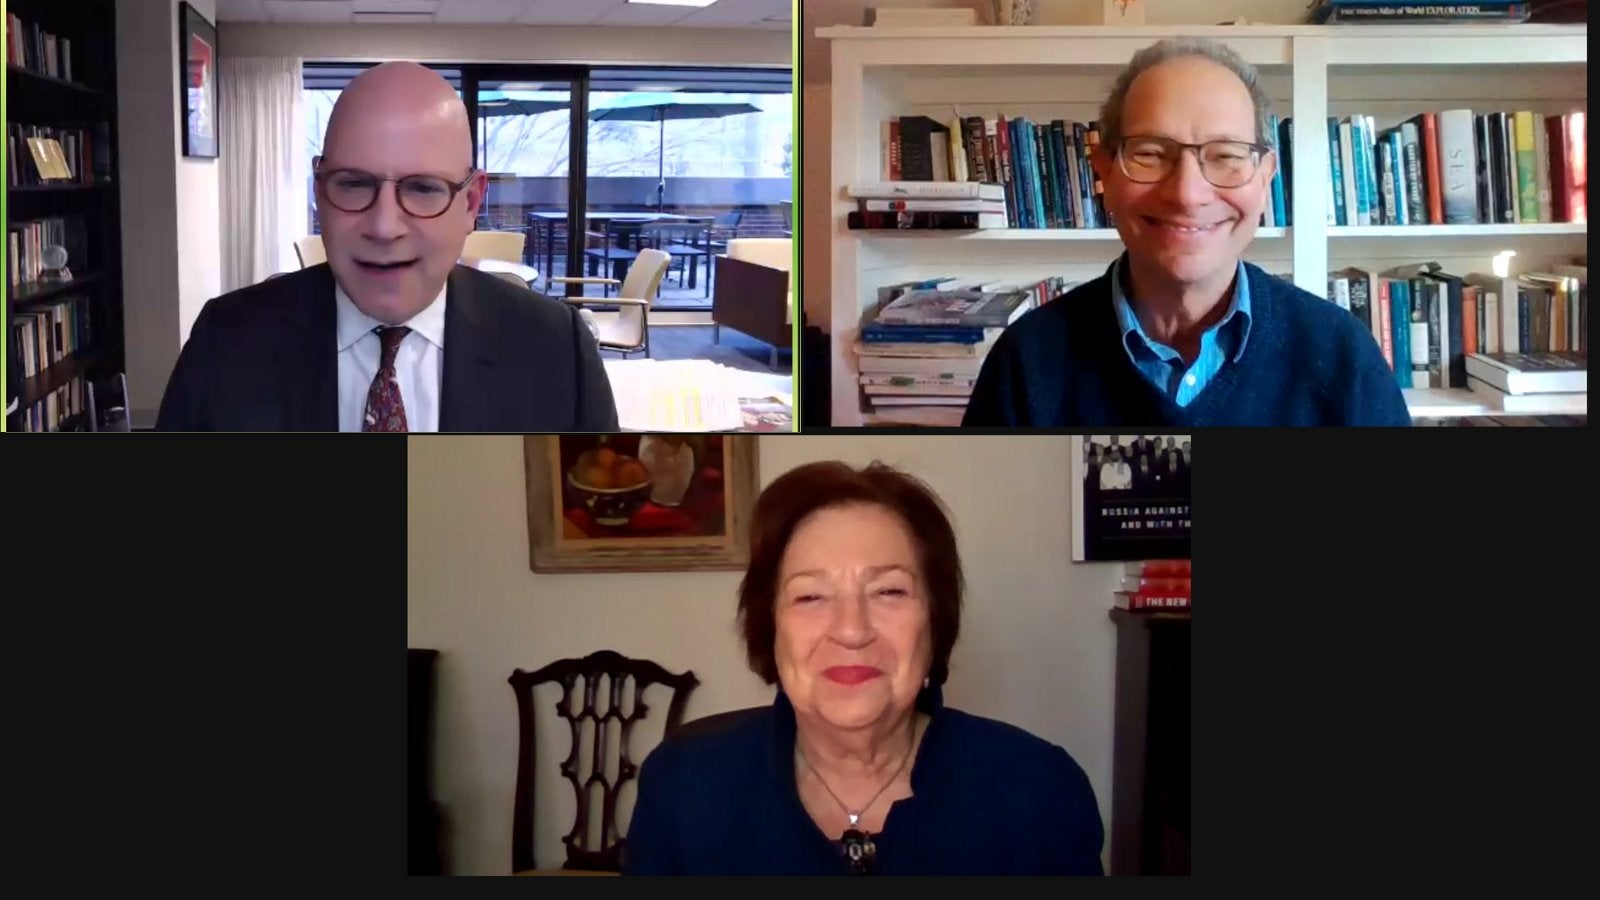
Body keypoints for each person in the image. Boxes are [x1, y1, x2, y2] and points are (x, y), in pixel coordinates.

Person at [623, 461, 1104, 875]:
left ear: (935, 620)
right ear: (770, 627)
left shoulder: (1041, 791)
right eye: (810, 596)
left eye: (889, 591)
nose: (852, 630)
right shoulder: (683, 787)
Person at [961, 38, 1410, 427]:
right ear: (1104, 172)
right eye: (1152, 153)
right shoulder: (1026, 360)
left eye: (1225, 155)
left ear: (1265, 177)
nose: (1188, 194)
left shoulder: (1341, 356)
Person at [155, 62, 617, 432]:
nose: (383, 226)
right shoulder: (226, 339)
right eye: (354, 184)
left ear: (472, 202)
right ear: (319, 191)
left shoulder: (556, 349)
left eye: (422, 189)